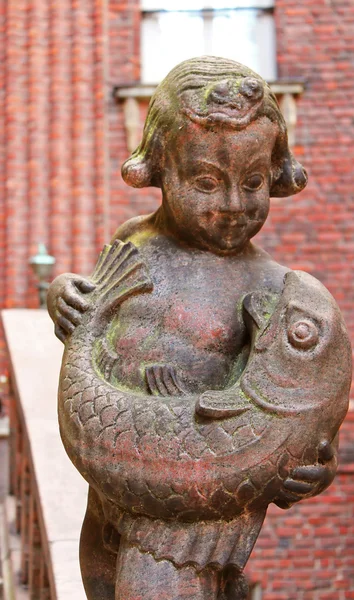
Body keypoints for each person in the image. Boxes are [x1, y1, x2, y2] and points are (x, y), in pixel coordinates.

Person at [48, 56, 338, 600]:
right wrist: (62, 292)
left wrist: (316, 465)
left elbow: (300, 405)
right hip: (110, 498)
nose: (232, 204)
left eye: (252, 182)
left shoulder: (274, 291)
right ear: (159, 167)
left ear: (276, 175)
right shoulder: (134, 239)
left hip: (189, 527)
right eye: (205, 182)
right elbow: (97, 301)